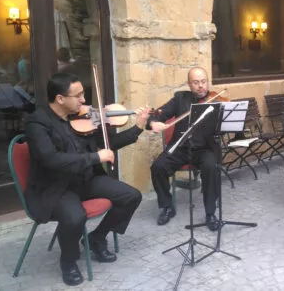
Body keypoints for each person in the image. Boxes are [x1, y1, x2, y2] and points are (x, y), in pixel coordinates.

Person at [25, 73, 148, 286]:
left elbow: (109, 142)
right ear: (60, 99)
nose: (84, 101)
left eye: (84, 94)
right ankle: (68, 261)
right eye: (78, 95)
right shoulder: (37, 123)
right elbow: (51, 159)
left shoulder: (82, 118)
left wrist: (137, 127)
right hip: (57, 186)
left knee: (131, 196)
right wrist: (94, 157)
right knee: (74, 217)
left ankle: (97, 237)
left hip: (85, 179)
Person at [147, 67, 221, 229]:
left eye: (203, 82)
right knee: (157, 167)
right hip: (181, 147)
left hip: (204, 149)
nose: (201, 86)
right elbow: (157, 114)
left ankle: (210, 212)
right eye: (196, 82)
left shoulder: (217, 101)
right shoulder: (180, 99)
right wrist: (153, 122)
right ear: (189, 84)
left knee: (211, 166)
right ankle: (167, 206)